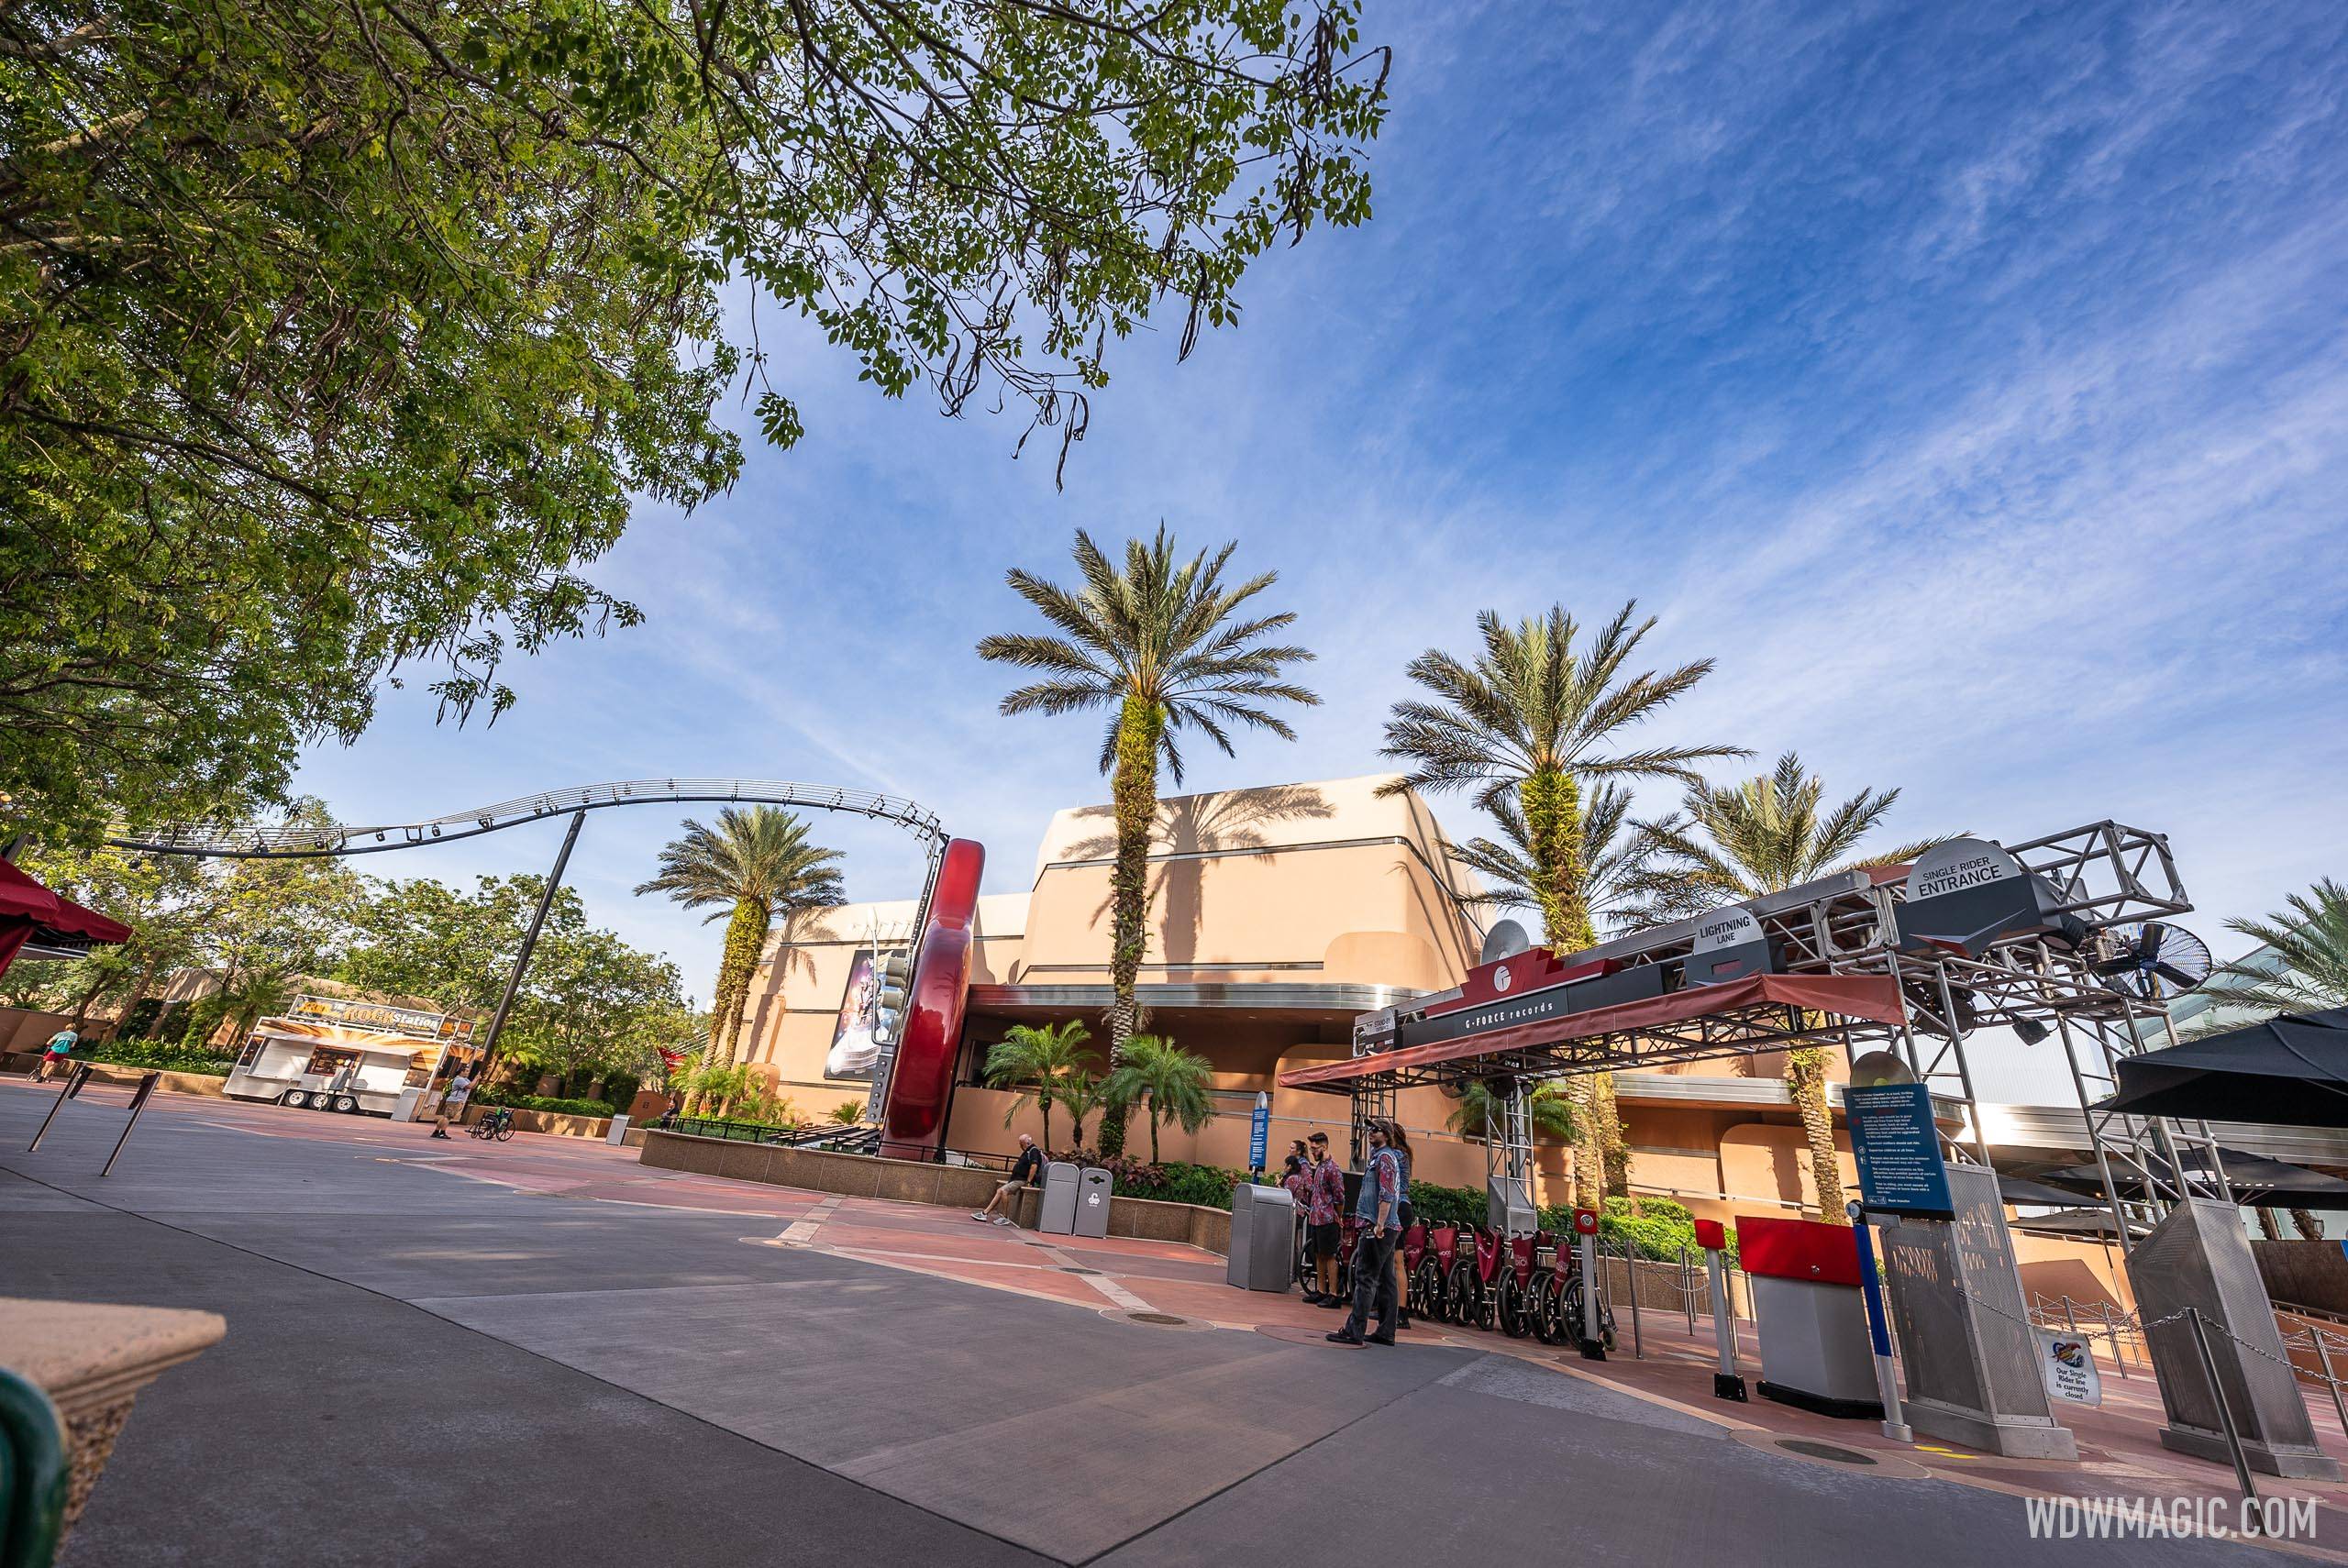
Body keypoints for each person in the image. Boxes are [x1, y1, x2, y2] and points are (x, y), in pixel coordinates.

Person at [1328, 1120, 1403, 1346]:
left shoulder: (1385, 1158)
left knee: (1365, 1277)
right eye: (1370, 1129)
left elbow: (1387, 1193)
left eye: (1376, 1129)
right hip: (1386, 1226)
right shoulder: (1380, 1156)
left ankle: (1354, 1330)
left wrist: (1379, 1224)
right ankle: (1386, 1332)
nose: (1371, 1132)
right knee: (1387, 1279)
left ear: (1387, 1135)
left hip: (1378, 1226)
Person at [1301, 1132, 1346, 1307]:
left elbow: (1340, 1196)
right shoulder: (1319, 1167)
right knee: (1319, 1254)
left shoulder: (1332, 1169)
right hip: (1317, 1217)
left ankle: (1333, 1294)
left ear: (1324, 1146)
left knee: (1330, 1256)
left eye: (1315, 1148)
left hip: (1328, 1218)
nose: (1312, 1152)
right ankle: (1321, 1290)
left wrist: (1338, 1216)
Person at [973, 1132, 1044, 1225]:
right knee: (1000, 1190)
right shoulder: (1028, 1151)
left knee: (1004, 1191)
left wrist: (1029, 1181)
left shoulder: (1033, 1151)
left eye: (1021, 1144)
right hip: (1017, 1179)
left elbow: (1034, 1166)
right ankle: (984, 1213)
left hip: (1021, 1180)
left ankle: (1005, 1217)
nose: (1020, 1146)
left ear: (1027, 1143)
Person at [1385, 1119, 1415, 1330]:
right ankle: (1391, 1307)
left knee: (1397, 1261)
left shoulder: (1397, 1155)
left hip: (1399, 1208)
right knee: (1390, 1260)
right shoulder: (1402, 1154)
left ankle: (1402, 1312)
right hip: (1399, 1207)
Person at [432, 1069, 473, 1140]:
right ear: (461, 1071)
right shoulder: (459, 1079)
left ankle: (436, 1132)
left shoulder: (464, 1079)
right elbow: (469, 1086)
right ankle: (442, 1133)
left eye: (468, 1071)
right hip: (455, 1100)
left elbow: (472, 1086)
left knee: (445, 1116)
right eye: (466, 1071)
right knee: (448, 1117)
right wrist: (476, 1078)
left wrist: (477, 1079)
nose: (468, 1073)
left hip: (455, 1100)